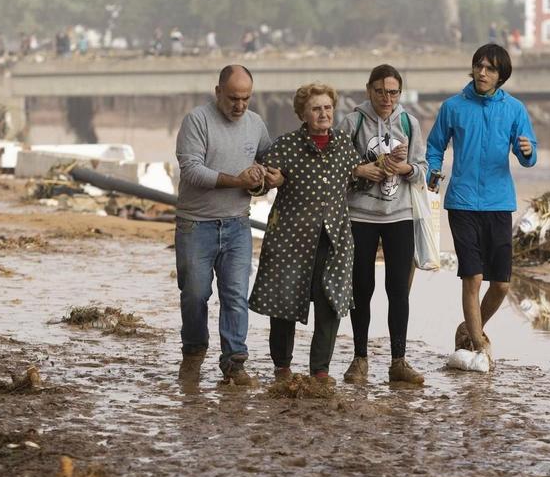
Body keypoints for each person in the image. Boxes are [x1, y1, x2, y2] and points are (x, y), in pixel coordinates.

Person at [426, 44, 537, 372]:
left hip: (499, 202)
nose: (482, 73)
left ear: (501, 75)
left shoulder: (514, 109)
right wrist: (434, 170)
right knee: (472, 276)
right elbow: (435, 145)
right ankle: (478, 346)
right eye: (479, 66)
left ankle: (469, 328)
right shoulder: (453, 107)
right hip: (461, 201)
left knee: (501, 284)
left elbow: (528, 154)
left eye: (490, 68)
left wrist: (527, 150)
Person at [250, 83, 360, 385]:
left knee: (330, 303)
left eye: (328, 108)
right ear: (303, 114)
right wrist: (269, 180)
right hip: (290, 240)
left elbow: (358, 179)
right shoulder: (286, 145)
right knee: (283, 303)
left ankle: (320, 371)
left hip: (333, 240)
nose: (323, 114)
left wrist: (381, 168)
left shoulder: (343, 144)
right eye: (316, 109)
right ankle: (282, 367)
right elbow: (258, 186)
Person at [174, 64, 273, 385]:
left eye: (246, 98)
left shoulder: (256, 124)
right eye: (233, 98)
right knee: (195, 294)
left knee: (235, 295)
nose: (239, 105)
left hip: (237, 224)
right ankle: (193, 352)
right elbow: (191, 170)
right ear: (218, 92)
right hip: (195, 225)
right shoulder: (197, 121)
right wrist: (237, 180)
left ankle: (234, 362)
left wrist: (264, 179)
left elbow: (269, 164)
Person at [335, 64, 427, 385]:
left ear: (399, 93)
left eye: (393, 92)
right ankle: (359, 358)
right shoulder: (353, 122)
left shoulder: (409, 123)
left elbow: (422, 169)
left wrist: (404, 168)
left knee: (398, 290)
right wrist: (363, 168)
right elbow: (335, 165)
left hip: (399, 215)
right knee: (362, 288)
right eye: (380, 91)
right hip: (360, 216)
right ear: (369, 90)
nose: (387, 98)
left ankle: (398, 361)